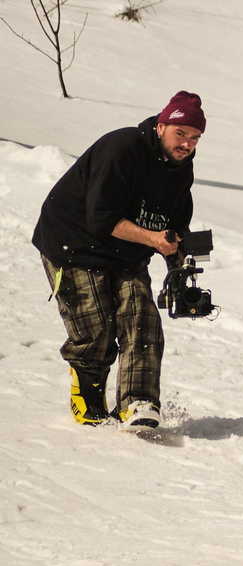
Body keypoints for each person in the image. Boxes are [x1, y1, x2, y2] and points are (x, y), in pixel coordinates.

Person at [31, 92, 204, 430]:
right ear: (161, 125)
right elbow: (101, 219)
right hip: (74, 242)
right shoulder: (123, 150)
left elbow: (176, 227)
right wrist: (153, 239)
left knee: (142, 320)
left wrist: (180, 271)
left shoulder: (181, 170)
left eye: (195, 137)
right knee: (96, 327)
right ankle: (89, 400)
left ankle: (138, 403)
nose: (187, 144)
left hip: (126, 251)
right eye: (180, 133)